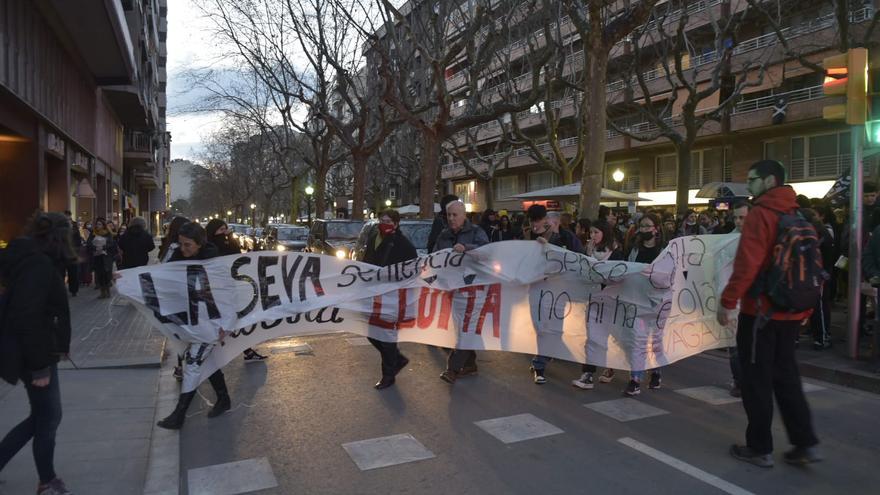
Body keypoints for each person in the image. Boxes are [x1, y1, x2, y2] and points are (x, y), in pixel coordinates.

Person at [717, 159, 820, 468]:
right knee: (787, 377)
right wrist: (808, 308)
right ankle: (804, 443)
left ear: (769, 180)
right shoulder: (798, 214)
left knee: (755, 380)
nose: (748, 185)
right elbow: (814, 267)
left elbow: (747, 264)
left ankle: (759, 447)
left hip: (759, 313)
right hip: (790, 312)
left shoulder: (761, 214)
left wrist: (728, 301)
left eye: (752, 179)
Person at [0, 212, 74, 495]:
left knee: (42, 417)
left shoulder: (31, 260)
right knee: (48, 417)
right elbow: (29, 316)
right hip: (34, 355)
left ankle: (46, 478)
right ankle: (47, 480)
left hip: (32, 351)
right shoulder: (39, 266)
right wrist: (40, 365)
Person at [156, 222, 233, 429]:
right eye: (181, 244)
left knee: (192, 364)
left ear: (200, 244)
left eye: (188, 245)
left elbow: (227, 295)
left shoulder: (214, 263)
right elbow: (159, 278)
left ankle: (179, 415)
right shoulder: (178, 258)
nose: (183, 249)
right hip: (192, 324)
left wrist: (227, 323)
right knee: (207, 362)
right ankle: (224, 399)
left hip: (211, 325)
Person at [524, 205, 581, 384]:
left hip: (558, 289)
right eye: (534, 221)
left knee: (555, 327)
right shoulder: (527, 235)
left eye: (547, 222)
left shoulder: (566, 237)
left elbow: (578, 257)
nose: (539, 225)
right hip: (536, 287)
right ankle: (542, 360)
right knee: (540, 325)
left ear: (554, 222)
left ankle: (541, 362)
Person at [436, 201, 489, 384]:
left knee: (467, 328)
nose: (451, 218)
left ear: (464, 215)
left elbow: (487, 252)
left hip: (474, 289)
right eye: (448, 215)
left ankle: (453, 369)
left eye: (454, 215)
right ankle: (470, 364)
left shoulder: (476, 232)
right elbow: (435, 256)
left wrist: (466, 249)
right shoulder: (444, 234)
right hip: (452, 289)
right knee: (460, 328)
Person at [364, 210, 418, 389]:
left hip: (391, 295)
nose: (384, 223)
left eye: (388, 221)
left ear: (396, 223)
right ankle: (398, 359)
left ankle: (388, 376)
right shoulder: (374, 238)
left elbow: (412, 267)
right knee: (371, 332)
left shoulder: (403, 244)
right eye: (382, 220)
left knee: (385, 335)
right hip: (374, 292)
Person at [572, 219, 624, 390]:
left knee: (613, 337)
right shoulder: (589, 250)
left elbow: (621, 275)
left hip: (611, 300)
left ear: (605, 233)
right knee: (592, 336)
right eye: (591, 232)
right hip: (593, 299)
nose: (592, 236)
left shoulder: (616, 251)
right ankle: (587, 375)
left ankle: (611, 367)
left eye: (596, 232)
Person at [205, 219, 266, 362]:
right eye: (220, 230)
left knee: (235, 321)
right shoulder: (208, 248)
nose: (224, 233)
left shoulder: (228, 243)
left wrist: (231, 240)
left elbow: (237, 256)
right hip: (215, 292)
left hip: (230, 289)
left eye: (225, 229)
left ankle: (247, 350)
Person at [623, 212, 665, 395]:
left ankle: (656, 372)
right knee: (638, 341)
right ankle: (635, 379)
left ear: (656, 228)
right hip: (637, 302)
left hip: (657, 303)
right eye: (642, 226)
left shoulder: (664, 250)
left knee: (655, 341)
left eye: (648, 226)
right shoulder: (634, 249)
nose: (644, 230)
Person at [726, 201, 751, 398]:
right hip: (735, 300)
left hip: (754, 302)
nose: (738, 221)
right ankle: (739, 381)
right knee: (734, 345)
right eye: (735, 217)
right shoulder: (728, 240)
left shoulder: (761, 237)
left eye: (742, 217)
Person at [87, 218, 117, 299]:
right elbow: (89, 243)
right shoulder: (93, 233)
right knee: (99, 274)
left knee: (106, 275)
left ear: (103, 225)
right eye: (97, 224)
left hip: (106, 257)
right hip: (97, 257)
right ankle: (102, 292)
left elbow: (111, 244)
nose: (98, 226)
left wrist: (103, 247)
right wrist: (95, 247)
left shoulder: (108, 233)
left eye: (100, 224)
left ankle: (108, 291)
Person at [63, 211, 80, 297]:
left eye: (69, 217)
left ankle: (74, 290)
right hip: (62, 253)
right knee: (61, 272)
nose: (67, 218)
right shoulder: (60, 225)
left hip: (73, 252)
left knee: (73, 273)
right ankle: (61, 289)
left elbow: (78, 239)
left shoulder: (74, 225)